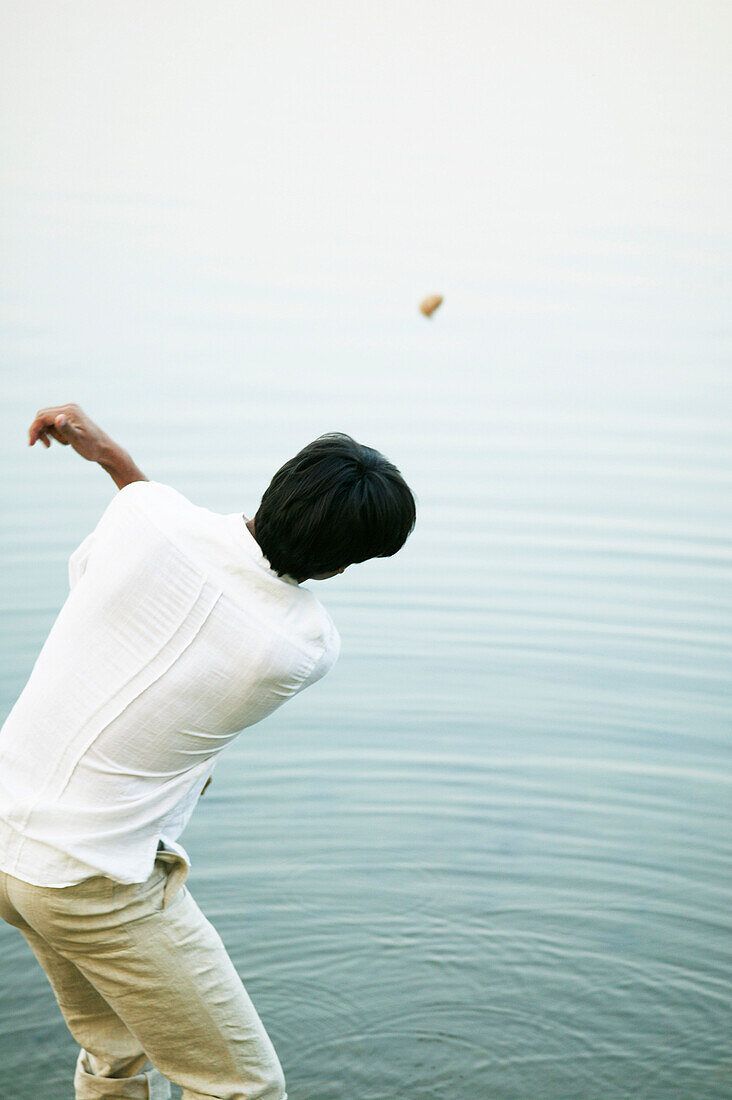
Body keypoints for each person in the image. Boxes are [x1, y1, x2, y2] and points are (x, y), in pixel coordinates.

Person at [0, 404, 416, 1100]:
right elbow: (214, 589)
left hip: (8, 846)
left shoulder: (146, 520)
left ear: (278, 484)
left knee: (115, 1051)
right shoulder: (299, 648)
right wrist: (119, 470)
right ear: (342, 564)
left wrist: (110, 456)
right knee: (240, 1087)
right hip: (88, 880)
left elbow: (155, 530)